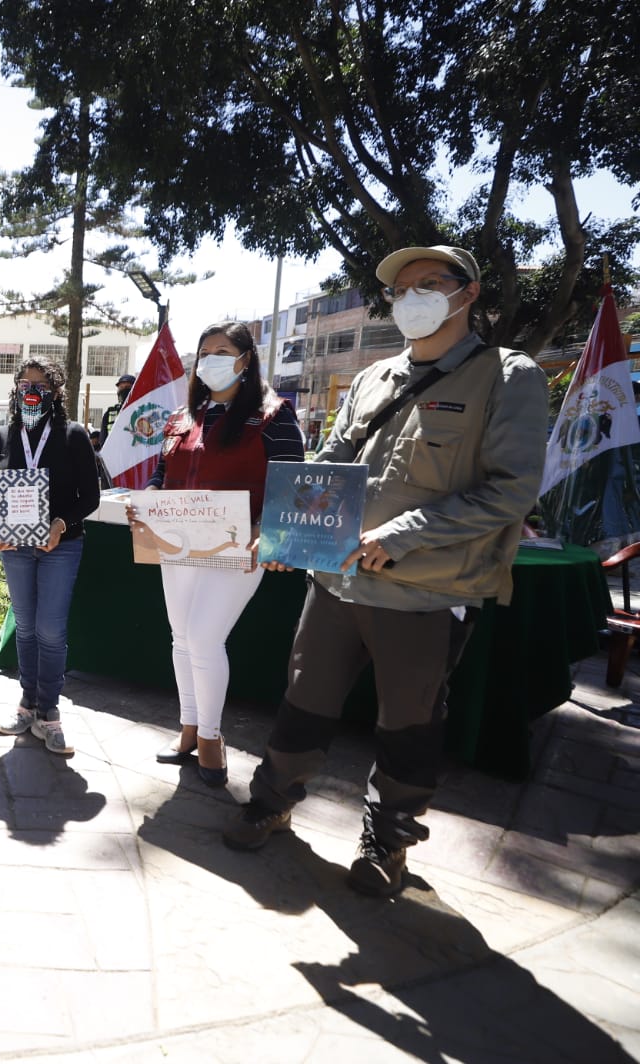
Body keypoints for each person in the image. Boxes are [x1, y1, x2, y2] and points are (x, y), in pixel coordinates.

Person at [223, 246, 548, 898]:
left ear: (469, 292)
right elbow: (330, 467)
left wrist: (402, 536)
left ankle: (388, 844)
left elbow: (510, 491)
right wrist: (287, 530)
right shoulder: (373, 379)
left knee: (410, 725)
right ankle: (271, 802)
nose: (414, 296)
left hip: (428, 592)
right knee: (303, 702)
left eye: (431, 283)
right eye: (403, 289)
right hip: (338, 582)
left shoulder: (508, 377)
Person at [138, 321, 304, 786]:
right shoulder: (182, 419)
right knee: (182, 639)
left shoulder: (274, 414)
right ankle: (188, 728)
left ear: (245, 359)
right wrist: (147, 507)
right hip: (179, 545)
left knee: (205, 638)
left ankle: (212, 736)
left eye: (222, 350)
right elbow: (161, 476)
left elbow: (294, 486)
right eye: (204, 351)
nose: (209, 359)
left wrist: (263, 530)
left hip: (239, 547)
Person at [0, 356, 102, 755]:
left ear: (55, 394)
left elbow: (91, 497)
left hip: (60, 547)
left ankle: (49, 711)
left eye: (41, 385)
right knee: (28, 629)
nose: (31, 392)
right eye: (24, 384)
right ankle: (27, 703)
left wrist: (60, 524)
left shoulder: (73, 436)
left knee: (51, 630)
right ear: (15, 390)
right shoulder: (1, 438)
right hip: (15, 548)